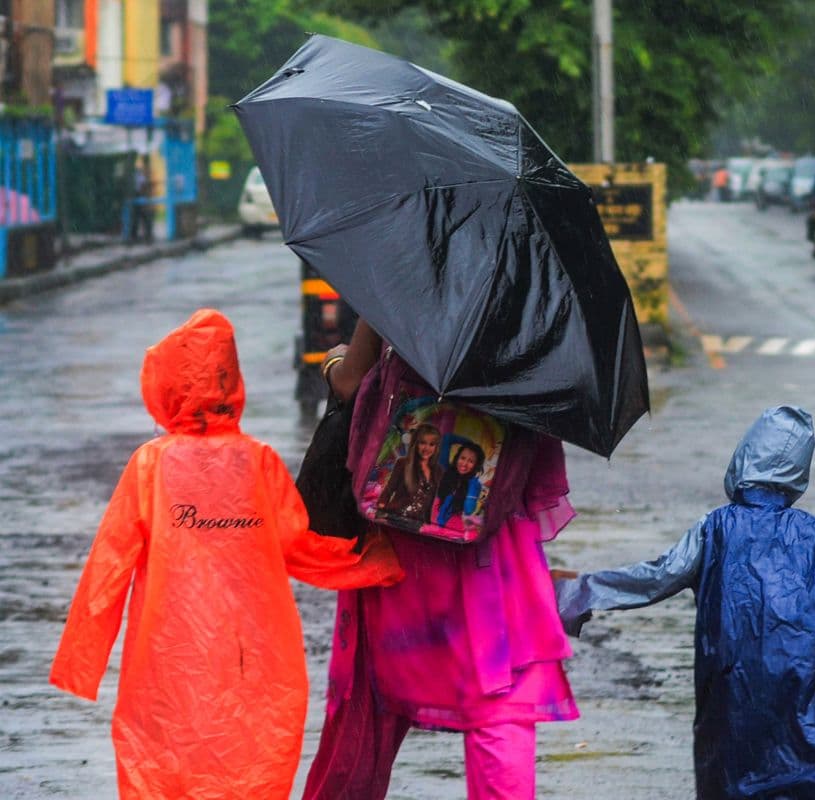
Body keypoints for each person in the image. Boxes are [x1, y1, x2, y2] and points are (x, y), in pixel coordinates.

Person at [48, 308, 405, 800]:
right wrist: (373, 562)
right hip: (252, 653)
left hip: (167, 654)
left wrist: (80, 663)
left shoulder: (150, 467)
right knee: (247, 756)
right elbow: (298, 543)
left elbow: (109, 566)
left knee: (164, 759)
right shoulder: (256, 461)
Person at [555, 406, 815, 800]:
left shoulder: (714, 528)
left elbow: (658, 576)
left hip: (732, 676)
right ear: (798, 472)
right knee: (808, 769)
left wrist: (581, 592)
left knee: (731, 770)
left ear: (744, 459)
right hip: (804, 676)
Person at [303, 319, 579, 800]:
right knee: (501, 701)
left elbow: (351, 381)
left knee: (368, 706)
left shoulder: (402, 284)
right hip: (490, 544)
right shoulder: (530, 309)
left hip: (398, 541)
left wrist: (333, 362)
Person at [378, 422, 443, 523]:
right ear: (415, 443)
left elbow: (431, 501)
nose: (426, 448)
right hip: (394, 518)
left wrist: (427, 524)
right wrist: (380, 515)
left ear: (436, 447)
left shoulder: (438, 470)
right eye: (423, 443)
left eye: (431, 444)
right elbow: (389, 490)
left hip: (417, 524)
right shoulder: (403, 463)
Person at [432, 440, 485, 528]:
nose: (464, 464)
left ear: (476, 465)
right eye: (462, 458)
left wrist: (472, 486)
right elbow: (447, 438)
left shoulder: (475, 484)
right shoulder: (445, 469)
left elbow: (468, 510)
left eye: (471, 461)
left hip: (452, 527)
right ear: (457, 458)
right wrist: (469, 443)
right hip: (431, 520)